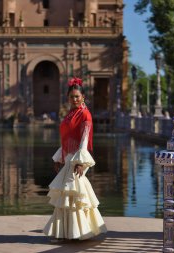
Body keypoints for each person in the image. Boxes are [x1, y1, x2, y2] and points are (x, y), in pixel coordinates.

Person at [43, 77, 107, 241]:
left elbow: (84, 139)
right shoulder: (70, 113)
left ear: (83, 97)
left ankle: (78, 232)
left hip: (78, 158)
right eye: (72, 97)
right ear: (68, 98)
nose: (74, 99)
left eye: (77, 96)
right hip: (70, 157)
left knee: (73, 193)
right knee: (68, 194)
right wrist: (59, 157)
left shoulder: (85, 114)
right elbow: (67, 138)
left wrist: (80, 162)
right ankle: (69, 232)